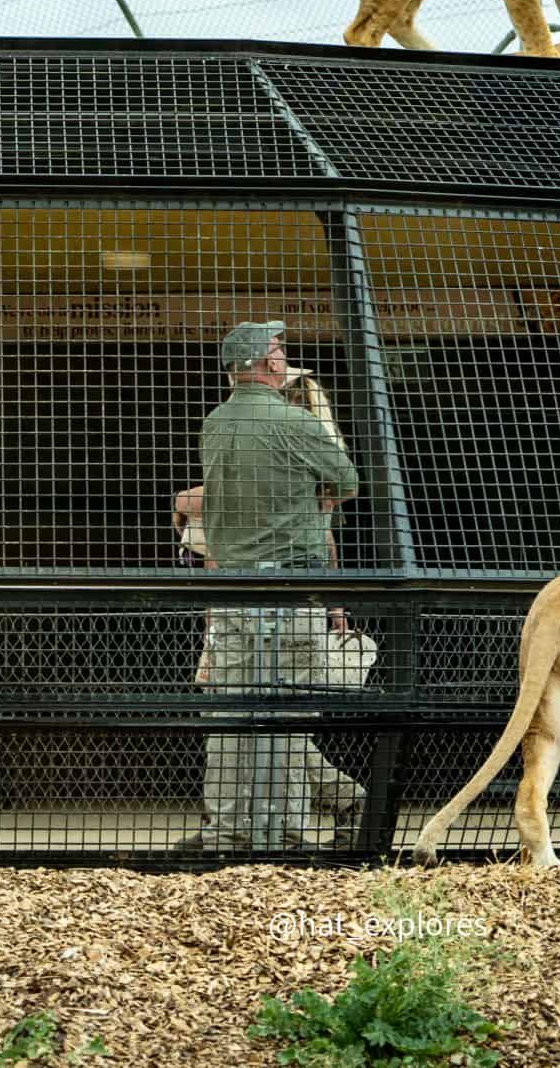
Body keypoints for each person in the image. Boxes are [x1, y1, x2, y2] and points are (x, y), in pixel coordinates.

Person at [173, 320, 366, 853]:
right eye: (279, 349)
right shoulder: (296, 424)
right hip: (292, 588)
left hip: (233, 588)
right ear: (267, 363)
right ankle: (286, 832)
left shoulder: (214, 424)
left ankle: (228, 831)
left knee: (231, 718)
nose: (284, 356)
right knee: (285, 718)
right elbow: (348, 480)